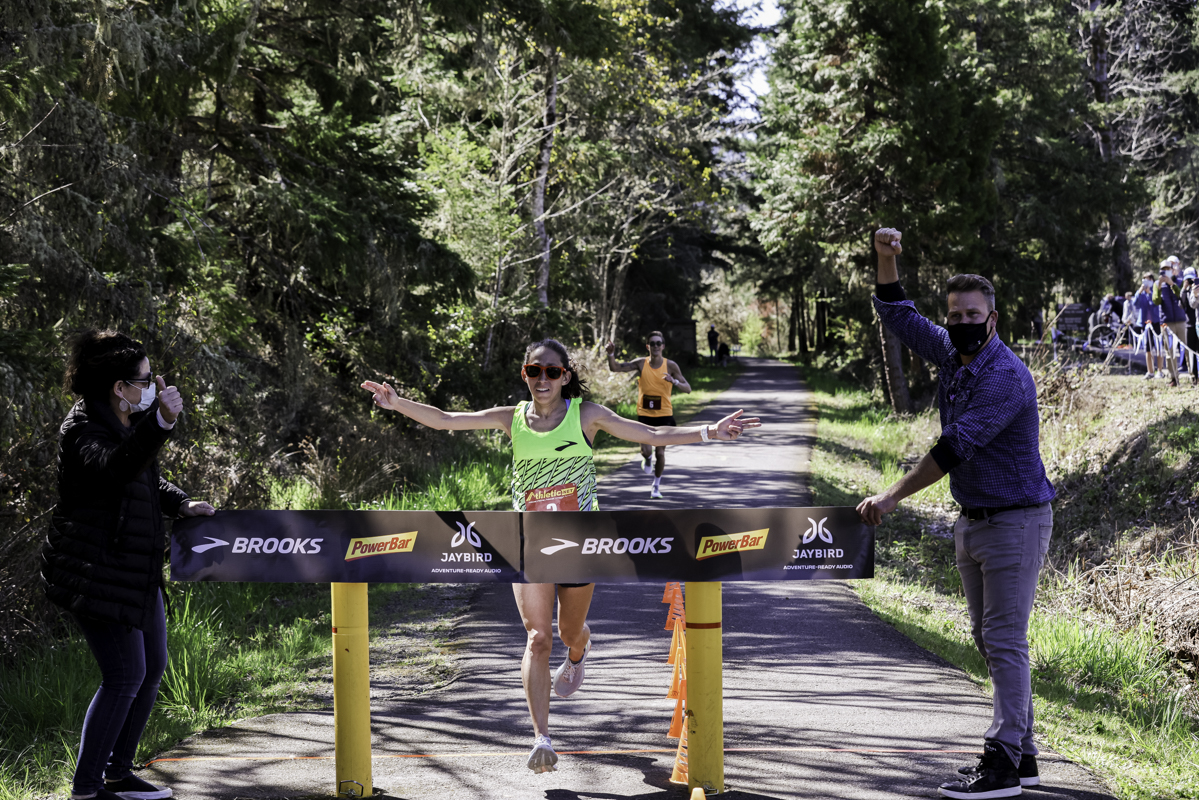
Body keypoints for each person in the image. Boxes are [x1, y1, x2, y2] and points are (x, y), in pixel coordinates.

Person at [361, 339, 758, 774]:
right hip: (528, 542)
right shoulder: (512, 418)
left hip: (579, 545)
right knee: (537, 637)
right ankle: (542, 738)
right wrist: (397, 404)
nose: (543, 379)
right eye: (535, 371)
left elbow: (651, 433)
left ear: (565, 376)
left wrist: (709, 432)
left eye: (552, 372)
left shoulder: (585, 415)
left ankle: (580, 649)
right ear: (525, 374)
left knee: (568, 632)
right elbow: (446, 420)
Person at [857, 229, 1055, 800]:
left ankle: (1000, 764)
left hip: (1016, 519)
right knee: (989, 638)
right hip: (973, 519)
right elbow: (899, 316)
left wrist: (892, 496)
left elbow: (952, 449)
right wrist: (887, 258)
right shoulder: (952, 351)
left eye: (973, 313)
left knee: (1004, 638)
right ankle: (1024, 756)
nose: (962, 321)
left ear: (992, 320)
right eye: (955, 313)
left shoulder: (1005, 376)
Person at [42, 330, 215, 800]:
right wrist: (159, 422)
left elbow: (140, 478)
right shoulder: (83, 429)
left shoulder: (122, 421)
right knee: (123, 676)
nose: (153, 386)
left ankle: (118, 772)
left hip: (135, 570)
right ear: (119, 386)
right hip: (96, 574)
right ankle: (86, 787)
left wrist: (181, 504)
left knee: (152, 665)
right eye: (144, 380)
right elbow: (115, 469)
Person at [605, 332, 692, 499]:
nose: (656, 346)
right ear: (648, 347)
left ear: (663, 346)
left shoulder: (671, 366)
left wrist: (674, 382)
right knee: (646, 451)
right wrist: (610, 353)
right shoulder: (640, 363)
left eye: (659, 343)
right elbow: (615, 368)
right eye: (652, 344)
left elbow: (687, 389)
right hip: (645, 414)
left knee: (661, 453)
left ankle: (656, 486)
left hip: (665, 415)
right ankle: (647, 458)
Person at [1154, 262, 1187, 387]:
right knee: (1170, 352)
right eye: (1163, 270)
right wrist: (1160, 287)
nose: (1165, 272)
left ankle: (1194, 375)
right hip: (1166, 322)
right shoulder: (1157, 284)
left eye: (1167, 269)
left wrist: (1171, 284)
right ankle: (1174, 378)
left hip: (1181, 320)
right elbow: (1156, 301)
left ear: (1172, 270)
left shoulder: (1179, 281)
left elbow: (1181, 296)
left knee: (1187, 349)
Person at [1134, 275, 1162, 379]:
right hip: (1145, 324)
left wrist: (1150, 294)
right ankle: (1150, 372)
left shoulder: (1155, 291)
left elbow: (1155, 304)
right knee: (1148, 348)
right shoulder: (1140, 294)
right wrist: (1139, 292)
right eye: (1145, 279)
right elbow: (1135, 303)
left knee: (1159, 348)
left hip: (1156, 322)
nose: (1147, 282)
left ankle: (1160, 371)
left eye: (1149, 280)